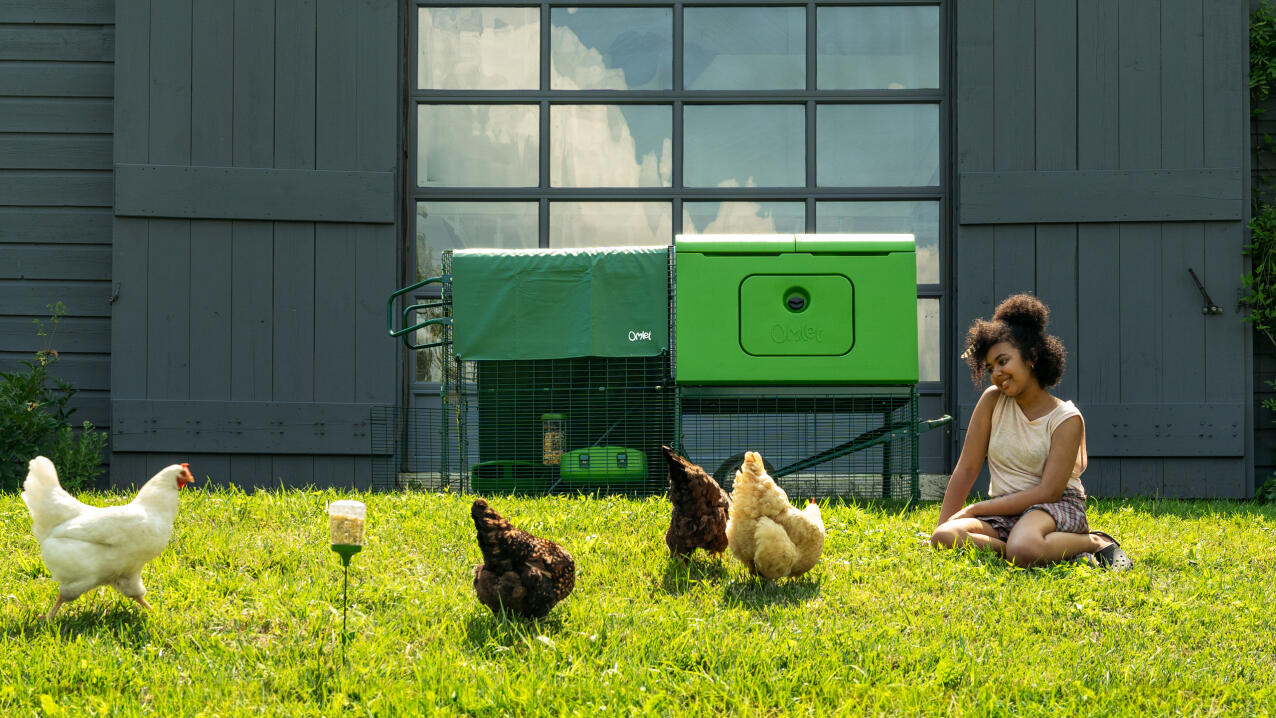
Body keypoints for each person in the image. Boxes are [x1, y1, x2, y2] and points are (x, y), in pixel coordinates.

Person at [930, 294, 1132, 570]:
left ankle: (1093, 542)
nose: (997, 373)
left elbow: (1049, 491)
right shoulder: (992, 401)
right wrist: (943, 525)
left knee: (1023, 547)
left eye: (1003, 361)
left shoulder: (1065, 419)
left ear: (1032, 357)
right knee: (944, 537)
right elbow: (966, 468)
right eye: (990, 368)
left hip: (1054, 507)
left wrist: (975, 509)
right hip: (1006, 511)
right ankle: (1036, 548)